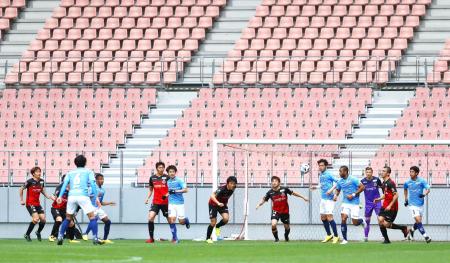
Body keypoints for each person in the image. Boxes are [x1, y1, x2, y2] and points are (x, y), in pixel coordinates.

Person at [56, 155, 103, 245]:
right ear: (85, 163)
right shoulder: (88, 171)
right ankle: (95, 237)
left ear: (75, 163)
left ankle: (60, 236)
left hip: (72, 196)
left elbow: (65, 184)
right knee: (92, 217)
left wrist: (60, 196)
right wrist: (96, 197)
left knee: (68, 218)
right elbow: (93, 184)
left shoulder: (70, 173)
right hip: (83, 196)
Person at [256, 176, 309, 242]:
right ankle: (276, 239)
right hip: (276, 211)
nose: (274, 183)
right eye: (272, 181)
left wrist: (303, 197)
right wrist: (259, 204)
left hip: (285, 211)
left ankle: (286, 236)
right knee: (273, 224)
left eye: (275, 181)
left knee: (287, 227)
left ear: (279, 182)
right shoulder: (270, 192)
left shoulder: (284, 189)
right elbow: (264, 199)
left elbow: (293, 193)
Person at [374, 166, 409, 244]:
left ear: (388, 174)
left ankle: (403, 228)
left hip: (392, 207)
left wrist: (390, 205)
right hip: (384, 206)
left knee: (386, 224)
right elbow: (385, 195)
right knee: (380, 220)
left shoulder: (391, 183)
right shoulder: (383, 183)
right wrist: (378, 199)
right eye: (382, 171)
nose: (381, 172)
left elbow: (396, 195)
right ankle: (386, 240)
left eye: (384, 171)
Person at [19, 166, 55, 242]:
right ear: (33, 174)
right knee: (36, 219)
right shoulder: (29, 181)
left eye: (39, 171)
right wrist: (22, 200)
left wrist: (48, 196)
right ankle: (27, 234)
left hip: (37, 204)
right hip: (30, 203)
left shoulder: (42, 181)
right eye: (37, 172)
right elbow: (21, 189)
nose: (39, 173)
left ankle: (38, 232)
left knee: (43, 220)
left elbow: (42, 189)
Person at [333, 165, 366, 244]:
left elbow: (362, 187)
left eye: (341, 171)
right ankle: (345, 239)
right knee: (343, 218)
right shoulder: (340, 181)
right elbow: (338, 189)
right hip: (345, 203)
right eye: (339, 171)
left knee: (355, 223)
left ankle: (361, 221)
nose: (339, 173)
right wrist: (335, 195)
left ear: (346, 171)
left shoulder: (353, 179)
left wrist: (353, 195)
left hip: (355, 203)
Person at [310, 159, 339, 243]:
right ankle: (329, 235)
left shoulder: (329, 174)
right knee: (323, 217)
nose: (320, 167)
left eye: (322, 165)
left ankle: (336, 236)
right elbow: (321, 185)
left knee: (329, 217)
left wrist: (331, 190)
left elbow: (338, 182)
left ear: (326, 166)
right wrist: (316, 187)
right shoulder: (321, 175)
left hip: (330, 199)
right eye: (319, 165)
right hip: (323, 198)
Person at [83, 173, 116, 244]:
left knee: (108, 222)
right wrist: (93, 196)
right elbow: (87, 197)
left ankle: (105, 239)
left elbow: (100, 202)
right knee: (94, 220)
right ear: (96, 180)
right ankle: (85, 233)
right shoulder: (92, 188)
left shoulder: (103, 190)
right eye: (101, 179)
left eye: (103, 179)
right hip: (91, 207)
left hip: (98, 208)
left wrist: (109, 203)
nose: (102, 181)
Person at [206, 176, 238, 244]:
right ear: (227, 183)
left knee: (226, 219)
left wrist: (223, 202)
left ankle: (218, 226)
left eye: (234, 183)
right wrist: (218, 203)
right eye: (231, 183)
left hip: (222, 205)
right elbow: (212, 196)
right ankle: (208, 238)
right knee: (213, 222)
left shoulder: (233, 188)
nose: (233, 185)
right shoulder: (222, 189)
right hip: (213, 204)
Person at [404, 166, 431, 243]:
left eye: (412, 171)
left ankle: (411, 230)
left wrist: (424, 195)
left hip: (420, 205)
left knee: (418, 222)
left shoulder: (422, 181)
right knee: (418, 220)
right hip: (412, 205)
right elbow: (405, 189)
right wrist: (406, 199)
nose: (410, 173)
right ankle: (426, 237)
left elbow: (428, 189)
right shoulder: (407, 182)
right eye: (410, 171)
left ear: (416, 173)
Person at [145, 161, 169, 243]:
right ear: (156, 168)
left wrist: (167, 195)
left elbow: (170, 189)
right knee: (150, 217)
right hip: (156, 202)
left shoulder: (167, 177)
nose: (161, 169)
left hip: (165, 202)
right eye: (160, 167)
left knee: (170, 220)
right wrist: (147, 198)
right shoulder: (152, 178)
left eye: (162, 167)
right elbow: (151, 190)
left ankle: (174, 237)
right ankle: (151, 238)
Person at [49, 174, 78, 243]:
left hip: (65, 210)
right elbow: (52, 196)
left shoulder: (73, 190)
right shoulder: (60, 187)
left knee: (71, 223)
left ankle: (71, 239)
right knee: (59, 219)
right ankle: (52, 236)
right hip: (56, 208)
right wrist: (56, 200)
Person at [166, 165, 190, 243]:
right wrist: (166, 195)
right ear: (168, 173)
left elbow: (186, 190)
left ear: (175, 172)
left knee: (181, 222)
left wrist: (176, 191)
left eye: (173, 171)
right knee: (171, 220)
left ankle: (186, 220)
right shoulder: (168, 182)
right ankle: (175, 238)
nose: (172, 173)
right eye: (170, 172)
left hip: (179, 203)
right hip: (171, 204)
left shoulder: (179, 180)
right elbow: (170, 191)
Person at [360, 167, 383, 241]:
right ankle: (366, 237)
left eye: (369, 172)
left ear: (372, 172)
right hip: (368, 204)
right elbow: (359, 190)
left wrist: (383, 195)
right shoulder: (362, 181)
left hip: (377, 202)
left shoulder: (376, 179)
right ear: (365, 173)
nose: (368, 173)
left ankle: (383, 236)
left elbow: (382, 187)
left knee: (380, 219)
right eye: (367, 172)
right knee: (367, 220)